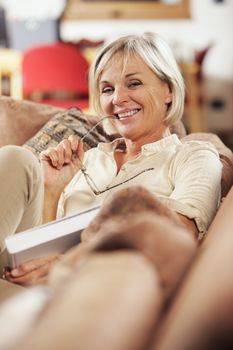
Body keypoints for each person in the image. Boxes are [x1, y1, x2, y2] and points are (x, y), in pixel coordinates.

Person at [1, 32, 222, 285]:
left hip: (100, 284)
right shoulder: (85, 159)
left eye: (134, 83)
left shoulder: (193, 156)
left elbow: (179, 234)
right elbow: (38, 248)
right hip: (23, 277)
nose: (117, 99)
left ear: (168, 90)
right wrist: (52, 191)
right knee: (17, 159)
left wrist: (69, 262)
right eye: (108, 89)